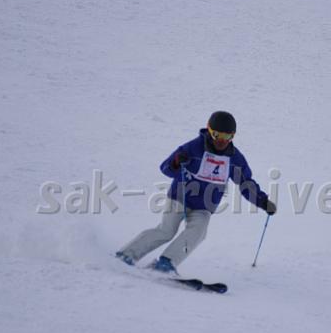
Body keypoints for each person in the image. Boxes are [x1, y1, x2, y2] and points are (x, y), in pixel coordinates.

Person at [116, 111, 276, 273]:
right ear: (209, 130)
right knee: (167, 230)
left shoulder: (234, 159)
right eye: (217, 135)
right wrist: (176, 163)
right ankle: (126, 254)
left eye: (227, 137)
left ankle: (166, 263)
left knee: (198, 232)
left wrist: (263, 201)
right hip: (180, 197)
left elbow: (246, 183)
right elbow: (165, 168)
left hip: (204, 206)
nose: (221, 141)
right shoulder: (193, 148)